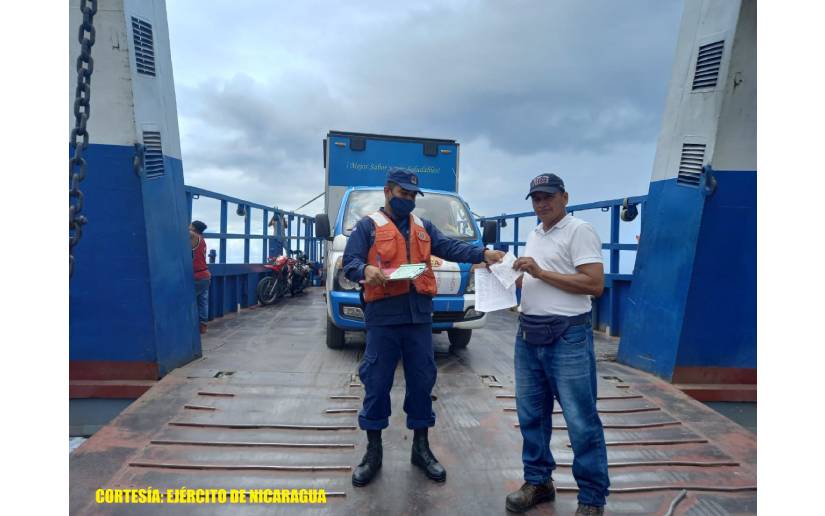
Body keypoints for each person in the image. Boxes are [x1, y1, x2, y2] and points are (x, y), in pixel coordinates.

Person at [342, 168, 504, 487]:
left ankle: (421, 448)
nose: (409, 200)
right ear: (388, 191)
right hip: (383, 318)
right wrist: (365, 270)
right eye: (403, 194)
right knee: (376, 383)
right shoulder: (367, 226)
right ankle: (373, 452)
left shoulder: (424, 227)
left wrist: (483, 254)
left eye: (413, 195)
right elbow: (350, 263)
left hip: (418, 318)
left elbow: (451, 248)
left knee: (421, 382)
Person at [504, 173, 610, 515]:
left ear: (564, 197)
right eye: (536, 199)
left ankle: (592, 497)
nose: (542, 204)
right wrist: (510, 276)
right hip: (528, 334)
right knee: (531, 415)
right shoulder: (535, 233)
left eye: (548, 196)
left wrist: (539, 273)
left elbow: (594, 284)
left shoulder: (579, 230)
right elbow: (538, 278)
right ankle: (538, 481)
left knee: (580, 419)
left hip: (567, 336)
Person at [190, 220, 211, 334]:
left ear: (194, 228)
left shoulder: (194, 236)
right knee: (203, 301)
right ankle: (203, 325)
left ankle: (190, 325)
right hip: (205, 275)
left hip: (197, 275)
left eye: (190, 225)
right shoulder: (202, 239)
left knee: (188, 299)